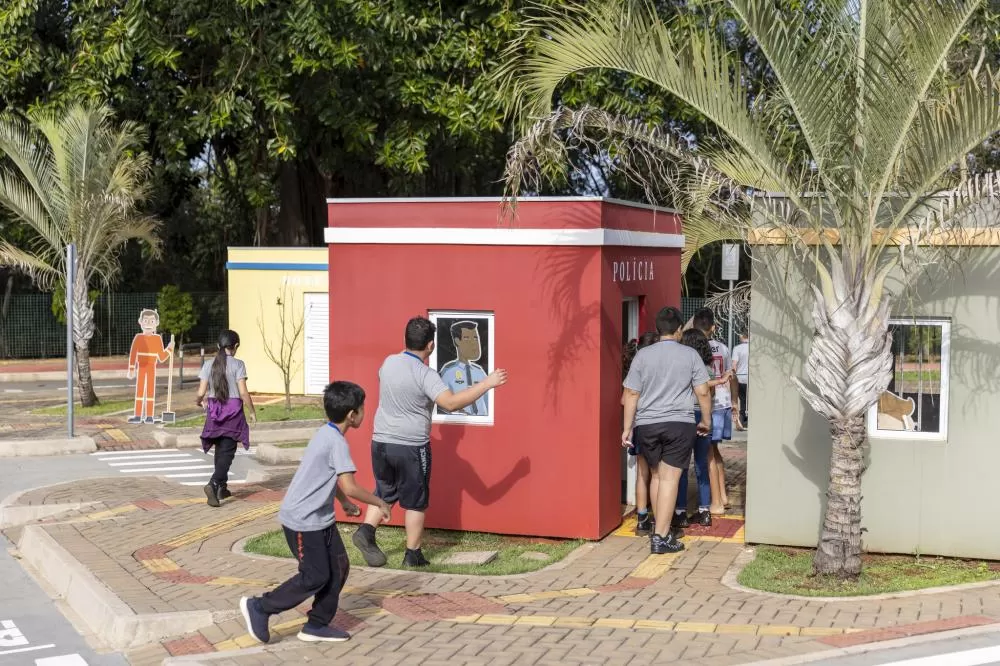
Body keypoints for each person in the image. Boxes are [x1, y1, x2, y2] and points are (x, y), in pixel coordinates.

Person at [239, 381, 391, 644]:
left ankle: (317, 625)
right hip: (302, 520)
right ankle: (260, 607)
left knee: (338, 567)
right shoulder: (336, 442)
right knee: (314, 576)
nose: (365, 412)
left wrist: (343, 502)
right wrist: (379, 503)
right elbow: (350, 486)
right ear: (352, 414)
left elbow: (328, 477)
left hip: (321, 519)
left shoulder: (326, 433)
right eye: (363, 408)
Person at [352, 316, 508, 568]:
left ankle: (366, 531)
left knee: (385, 490)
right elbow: (450, 403)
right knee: (416, 501)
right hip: (411, 446)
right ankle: (412, 555)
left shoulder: (388, 363)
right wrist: (487, 384)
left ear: (406, 339)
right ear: (431, 345)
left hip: (380, 442)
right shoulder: (426, 375)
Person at [622, 306, 712, 555]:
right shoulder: (690, 355)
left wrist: (627, 428)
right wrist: (706, 420)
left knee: (657, 476)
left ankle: (658, 529)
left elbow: (631, 393)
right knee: (670, 479)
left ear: (658, 329)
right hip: (678, 424)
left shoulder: (642, 355)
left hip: (647, 424)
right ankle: (661, 536)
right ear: (679, 329)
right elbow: (703, 391)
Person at [674, 329, 732, 528]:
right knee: (701, 465)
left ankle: (681, 512)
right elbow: (708, 392)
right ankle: (704, 511)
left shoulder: (680, 365)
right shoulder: (706, 368)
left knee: (681, 466)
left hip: (683, 417)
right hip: (702, 417)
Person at [196, 330, 257, 507]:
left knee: (220, 448)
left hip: (214, 410)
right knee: (228, 450)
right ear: (235, 346)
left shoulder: (208, 365)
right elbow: (243, 392)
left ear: (218, 346)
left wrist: (199, 402)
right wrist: (252, 411)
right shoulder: (238, 364)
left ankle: (222, 488)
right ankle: (214, 483)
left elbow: (201, 392)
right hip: (233, 411)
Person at [691, 308, 740, 514]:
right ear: (713, 326)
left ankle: (717, 501)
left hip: (706, 403)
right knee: (714, 450)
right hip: (722, 402)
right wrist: (735, 401)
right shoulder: (723, 348)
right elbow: (732, 375)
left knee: (708, 453)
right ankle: (722, 496)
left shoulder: (692, 346)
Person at [622, 331, 661, 535]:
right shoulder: (655, 370)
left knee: (642, 474)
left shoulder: (636, 369)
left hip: (639, 427)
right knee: (657, 475)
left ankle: (642, 518)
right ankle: (659, 521)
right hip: (653, 424)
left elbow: (624, 399)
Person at [127, 309, 174, 423]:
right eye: (146, 321)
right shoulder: (138, 338)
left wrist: (169, 349)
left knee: (150, 391)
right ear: (140, 322)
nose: (148, 324)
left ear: (156, 323)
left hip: (151, 367)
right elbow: (133, 353)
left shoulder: (157, 339)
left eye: (151, 321)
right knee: (139, 391)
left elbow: (161, 357)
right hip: (141, 367)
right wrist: (132, 368)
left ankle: (149, 416)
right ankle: (138, 415)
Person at [438, 320, 489, 416]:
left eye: (475, 338)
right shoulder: (448, 372)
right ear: (457, 341)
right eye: (467, 338)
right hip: (460, 421)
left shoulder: (479, 372)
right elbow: (442, 404)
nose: (473, 343)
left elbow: (488, 401)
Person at [732, 332, 750, 428]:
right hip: (751, 378)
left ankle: (743, 421)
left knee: (743, 400)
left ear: (742, 336)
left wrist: (733, 377)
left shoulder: (737, 348)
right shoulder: (754, 348)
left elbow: (734, 364)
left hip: (741, 378)